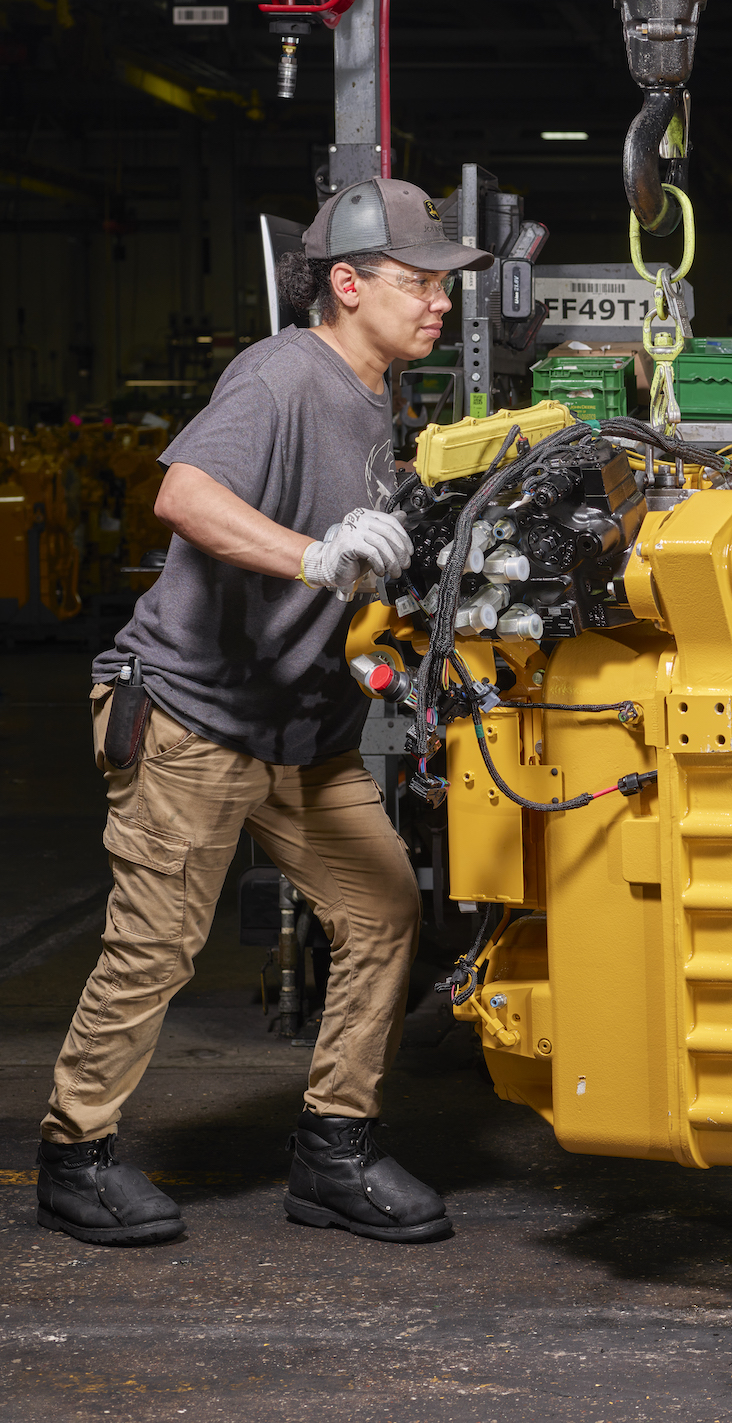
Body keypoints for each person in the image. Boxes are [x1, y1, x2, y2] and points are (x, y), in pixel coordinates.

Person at [36, 178, 492, 1247]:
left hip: (302, 727)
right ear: (347, 284)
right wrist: (319, 556)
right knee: (155, 946)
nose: (440, 303)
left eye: (443, 285)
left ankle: (333, 1152)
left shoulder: (375, 394)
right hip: (193, 715)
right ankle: (75, 1156)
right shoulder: (284, 371)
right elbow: (183, 493)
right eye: (419, 282)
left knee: (381, 913)